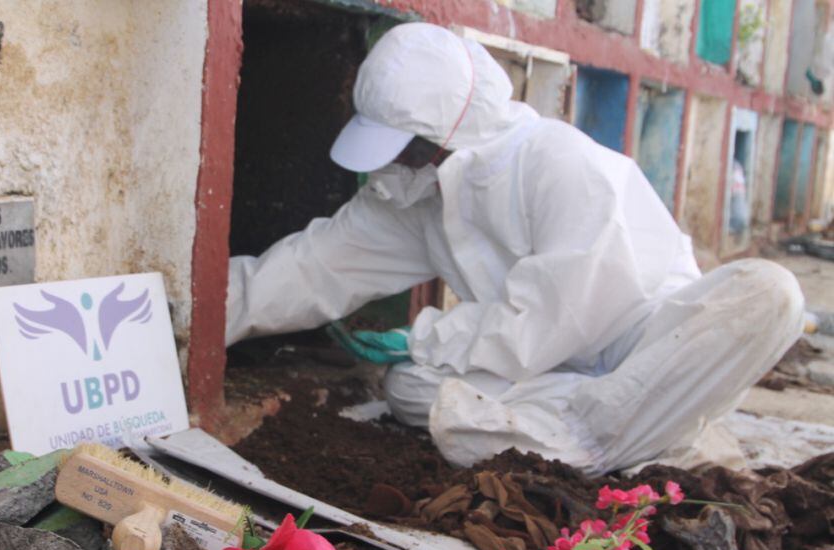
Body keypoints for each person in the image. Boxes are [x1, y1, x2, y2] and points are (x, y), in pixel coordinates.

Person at [225, 23, 804, 476]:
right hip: (559, 379)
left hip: (647, 346)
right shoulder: (417, 193)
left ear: (448, 136)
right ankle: (638, 439)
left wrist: (422, 336)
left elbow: (557, 315)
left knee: (769, 293)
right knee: (411, 389)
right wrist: (205, 311)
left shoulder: (557, 162)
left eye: (406, 149)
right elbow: (317, 264)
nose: (392, 165)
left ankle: (599, 440)